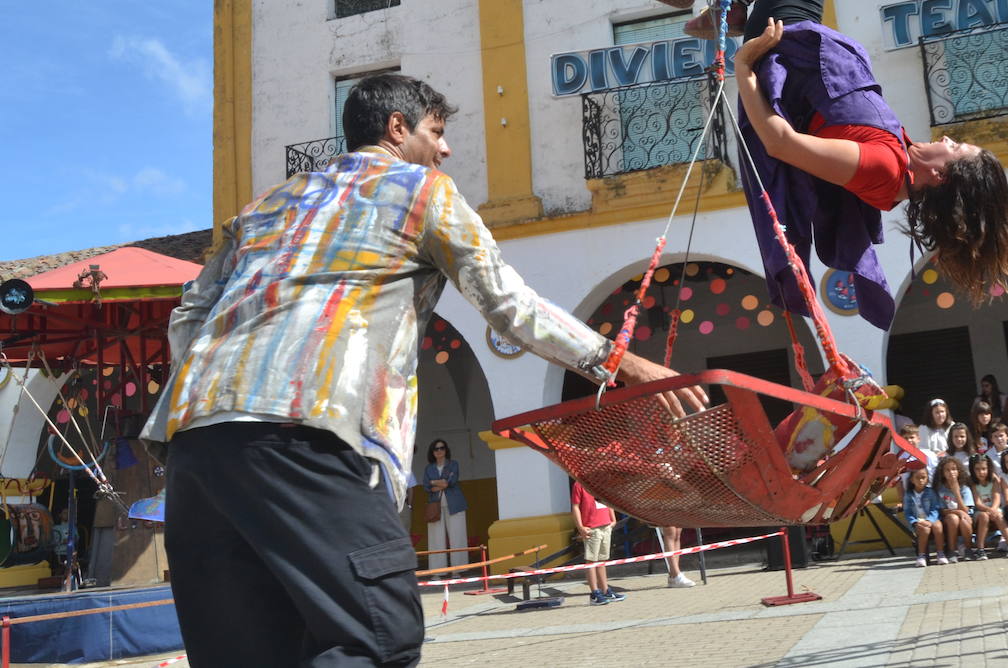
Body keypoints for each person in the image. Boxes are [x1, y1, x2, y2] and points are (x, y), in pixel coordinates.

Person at [140, 74, 706, 666]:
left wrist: (218, 391)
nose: (445, 149)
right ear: (397, 128)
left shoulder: (266, 205)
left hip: (193, 446)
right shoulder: (423, 191)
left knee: (248, 654)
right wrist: (619, 363)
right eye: (437, 133)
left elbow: (189, 314)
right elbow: (509, 305)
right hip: (306, 434)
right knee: (377, 636)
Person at [616, 0, 1008, 329]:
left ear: (943, 176)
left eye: (957, 148)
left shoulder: (883, 169)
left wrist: (742, 66)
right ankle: (730, 0)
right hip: (798, 41)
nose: (948, 140)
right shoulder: (896, 166)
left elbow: (781, 143)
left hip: (785, 37)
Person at [571, 481, 623, 605]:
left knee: (602, 560)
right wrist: (580, 527)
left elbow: (607, 500)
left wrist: (613, 518)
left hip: (605, 525)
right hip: (591, 527)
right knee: (591, 560)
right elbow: (575, 506)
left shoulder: (601, 482)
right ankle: (594, 593)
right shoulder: (579, 484)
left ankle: (605, 590)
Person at [423, 438, 468, 569]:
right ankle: (438, 571)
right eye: (436, 449)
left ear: (446, 450)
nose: (439, 451)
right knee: (435, 540)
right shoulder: (429, 468)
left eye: (441, 448)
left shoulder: (453, 464)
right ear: (432, 452)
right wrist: (437, 483)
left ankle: (458, 570)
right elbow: (426, 485)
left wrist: (434, 482)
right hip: (435, 506)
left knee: (457, 537)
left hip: (455, 505)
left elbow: (450, 482)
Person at [968, 454, 1008, 559]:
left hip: (994, 507)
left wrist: (993, 509)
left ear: (989, 468)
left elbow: (996, 497)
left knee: (999, 516)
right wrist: (989, 510)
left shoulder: (993, 479)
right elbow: (977, 503)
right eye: (977, 469)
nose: (981, 472)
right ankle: (980, 549)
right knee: (984, 516)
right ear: (972, 470)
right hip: (980, 511)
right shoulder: (972, 482)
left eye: (984, 469)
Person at [903, 462, 944, 567]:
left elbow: (935, 508)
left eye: (923, 477)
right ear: (912, 480)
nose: (921, 480)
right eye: (917, 478)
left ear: (927, 479)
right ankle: (921, 556)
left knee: (938, 527)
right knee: (924, 530)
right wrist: (914, 522)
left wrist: (930, 520)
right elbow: (907, 512)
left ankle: (940, 553)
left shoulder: (931, 492)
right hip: (917, 521)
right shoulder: (908, 495)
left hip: (932, 519)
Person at [935, 456, 975, 563]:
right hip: (948, 519)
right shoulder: (940, 489)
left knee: (964, 520)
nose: (951, 472)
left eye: (953, 469)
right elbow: (942, 510)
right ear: (942, 473)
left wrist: (956, 491)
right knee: (953, 518)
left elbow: (966, 510)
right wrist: (958, 512)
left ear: (959, 471)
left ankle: (968, 549)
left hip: (966, 518)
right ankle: (951, 550)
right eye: (947, 470)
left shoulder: (964, 488)